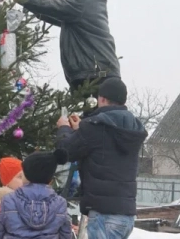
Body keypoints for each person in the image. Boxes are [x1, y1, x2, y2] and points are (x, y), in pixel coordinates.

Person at [55, 78, 148, 239]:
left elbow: (66, 151)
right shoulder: (132, 127)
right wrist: (81, 130)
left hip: (104, 215)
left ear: (102, 98)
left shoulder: (95, 126)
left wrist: (64, 128)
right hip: (126, 214)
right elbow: (104, 144)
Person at [10, 0, 121, 95]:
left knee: (96, 112)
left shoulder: (83, 1)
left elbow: (54, 6)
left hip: (95, 72)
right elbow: (55, 14)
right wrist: (29, 5)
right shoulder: (92, 3)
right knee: (94, 112)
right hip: (98, 71)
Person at [0, 149, 72, 239]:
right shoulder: (60, 203)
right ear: (50, 177)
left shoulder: (9, 200)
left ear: (27, 175)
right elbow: (65, 234)